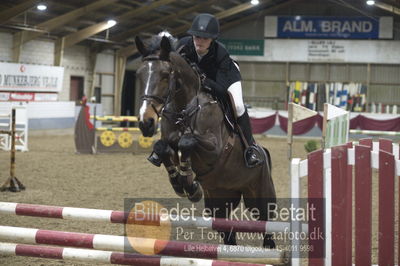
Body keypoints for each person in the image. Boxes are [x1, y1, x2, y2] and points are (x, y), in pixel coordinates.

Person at [148, 13, 262, 168]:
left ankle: (250, 147)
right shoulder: (183, 46)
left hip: (224, 79)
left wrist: (204, 80)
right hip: (197, 84)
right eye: (196, 37)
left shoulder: (221, 55)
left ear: (212, 39)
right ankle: (163, 142)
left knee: (239, 106)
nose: (199, 42)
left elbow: (221, 91)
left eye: (204, 38)